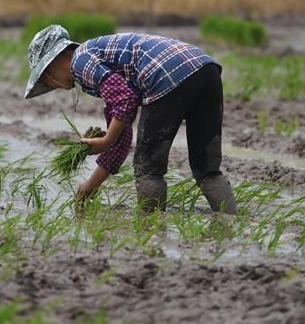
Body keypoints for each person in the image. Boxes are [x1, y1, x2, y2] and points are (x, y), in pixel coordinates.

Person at [24, 25, 237, 214]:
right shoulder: (101, 60)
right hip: (205, 69)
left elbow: (125, 100)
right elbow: (121, 135)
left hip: (165, 75)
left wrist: (106, 140)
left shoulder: (80, 61)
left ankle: (150, 229)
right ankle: (231, 223)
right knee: (207, 169)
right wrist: (92, 184)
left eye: (46, 80)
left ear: (51, 66)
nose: (53, 86)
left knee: (148, 169)